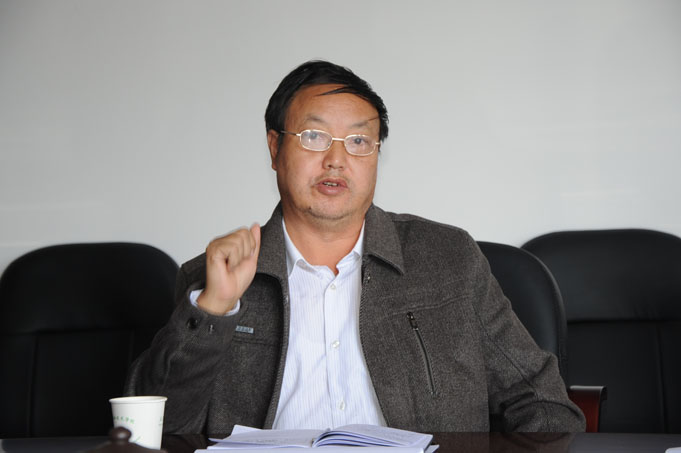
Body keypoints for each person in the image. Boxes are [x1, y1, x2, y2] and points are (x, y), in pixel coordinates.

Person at [125, 60, 585, 434]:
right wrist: (214, 309)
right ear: (274, 148)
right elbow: (158, 428)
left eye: (359, 141)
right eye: (314, 136)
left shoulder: (448, 259)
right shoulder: (212, 277)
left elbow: (545, 404)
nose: (337, 159)